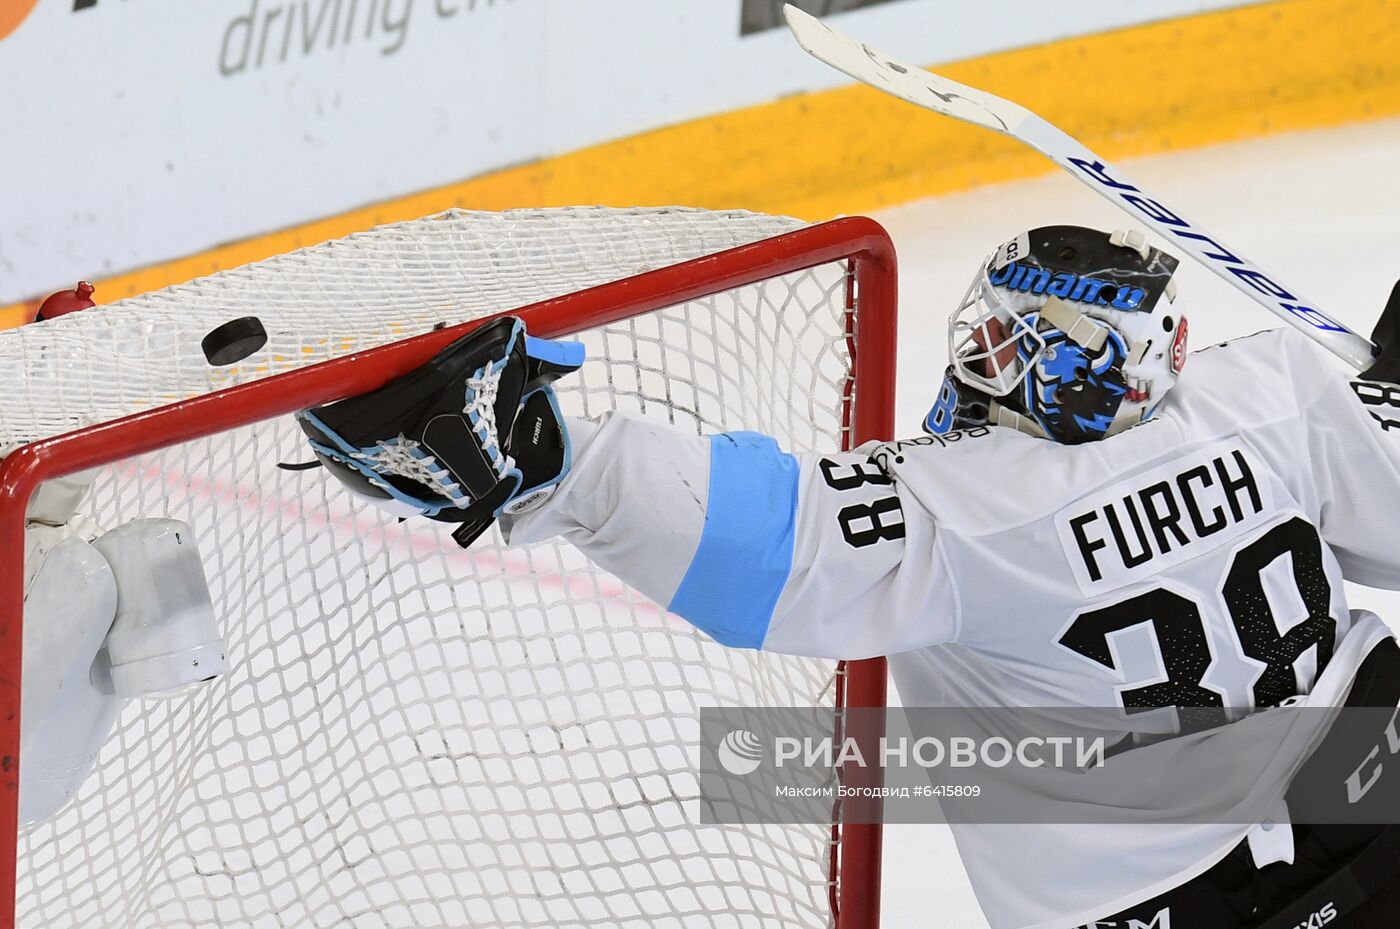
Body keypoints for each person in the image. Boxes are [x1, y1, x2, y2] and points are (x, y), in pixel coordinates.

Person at [296, 225, 1400, 929]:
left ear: (1080, 364)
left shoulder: (969, 506)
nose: (983, 359)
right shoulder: (1275, 387)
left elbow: (765, 545)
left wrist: (555, 462)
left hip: (1166, 898)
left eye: (1017, 345)